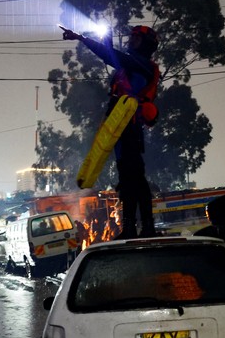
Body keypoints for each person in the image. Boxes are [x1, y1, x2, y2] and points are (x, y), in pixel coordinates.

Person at [61, 24, 160, 239]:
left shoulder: (144, 66)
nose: (131, 40)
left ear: (146, 45)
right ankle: (134, 227)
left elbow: (112, 56)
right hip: (118, 129)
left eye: (136, 38)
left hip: (130, 127)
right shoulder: (127, 68)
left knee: (133, 178)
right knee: (129, 178)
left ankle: (139, 227)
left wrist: (83, 38)